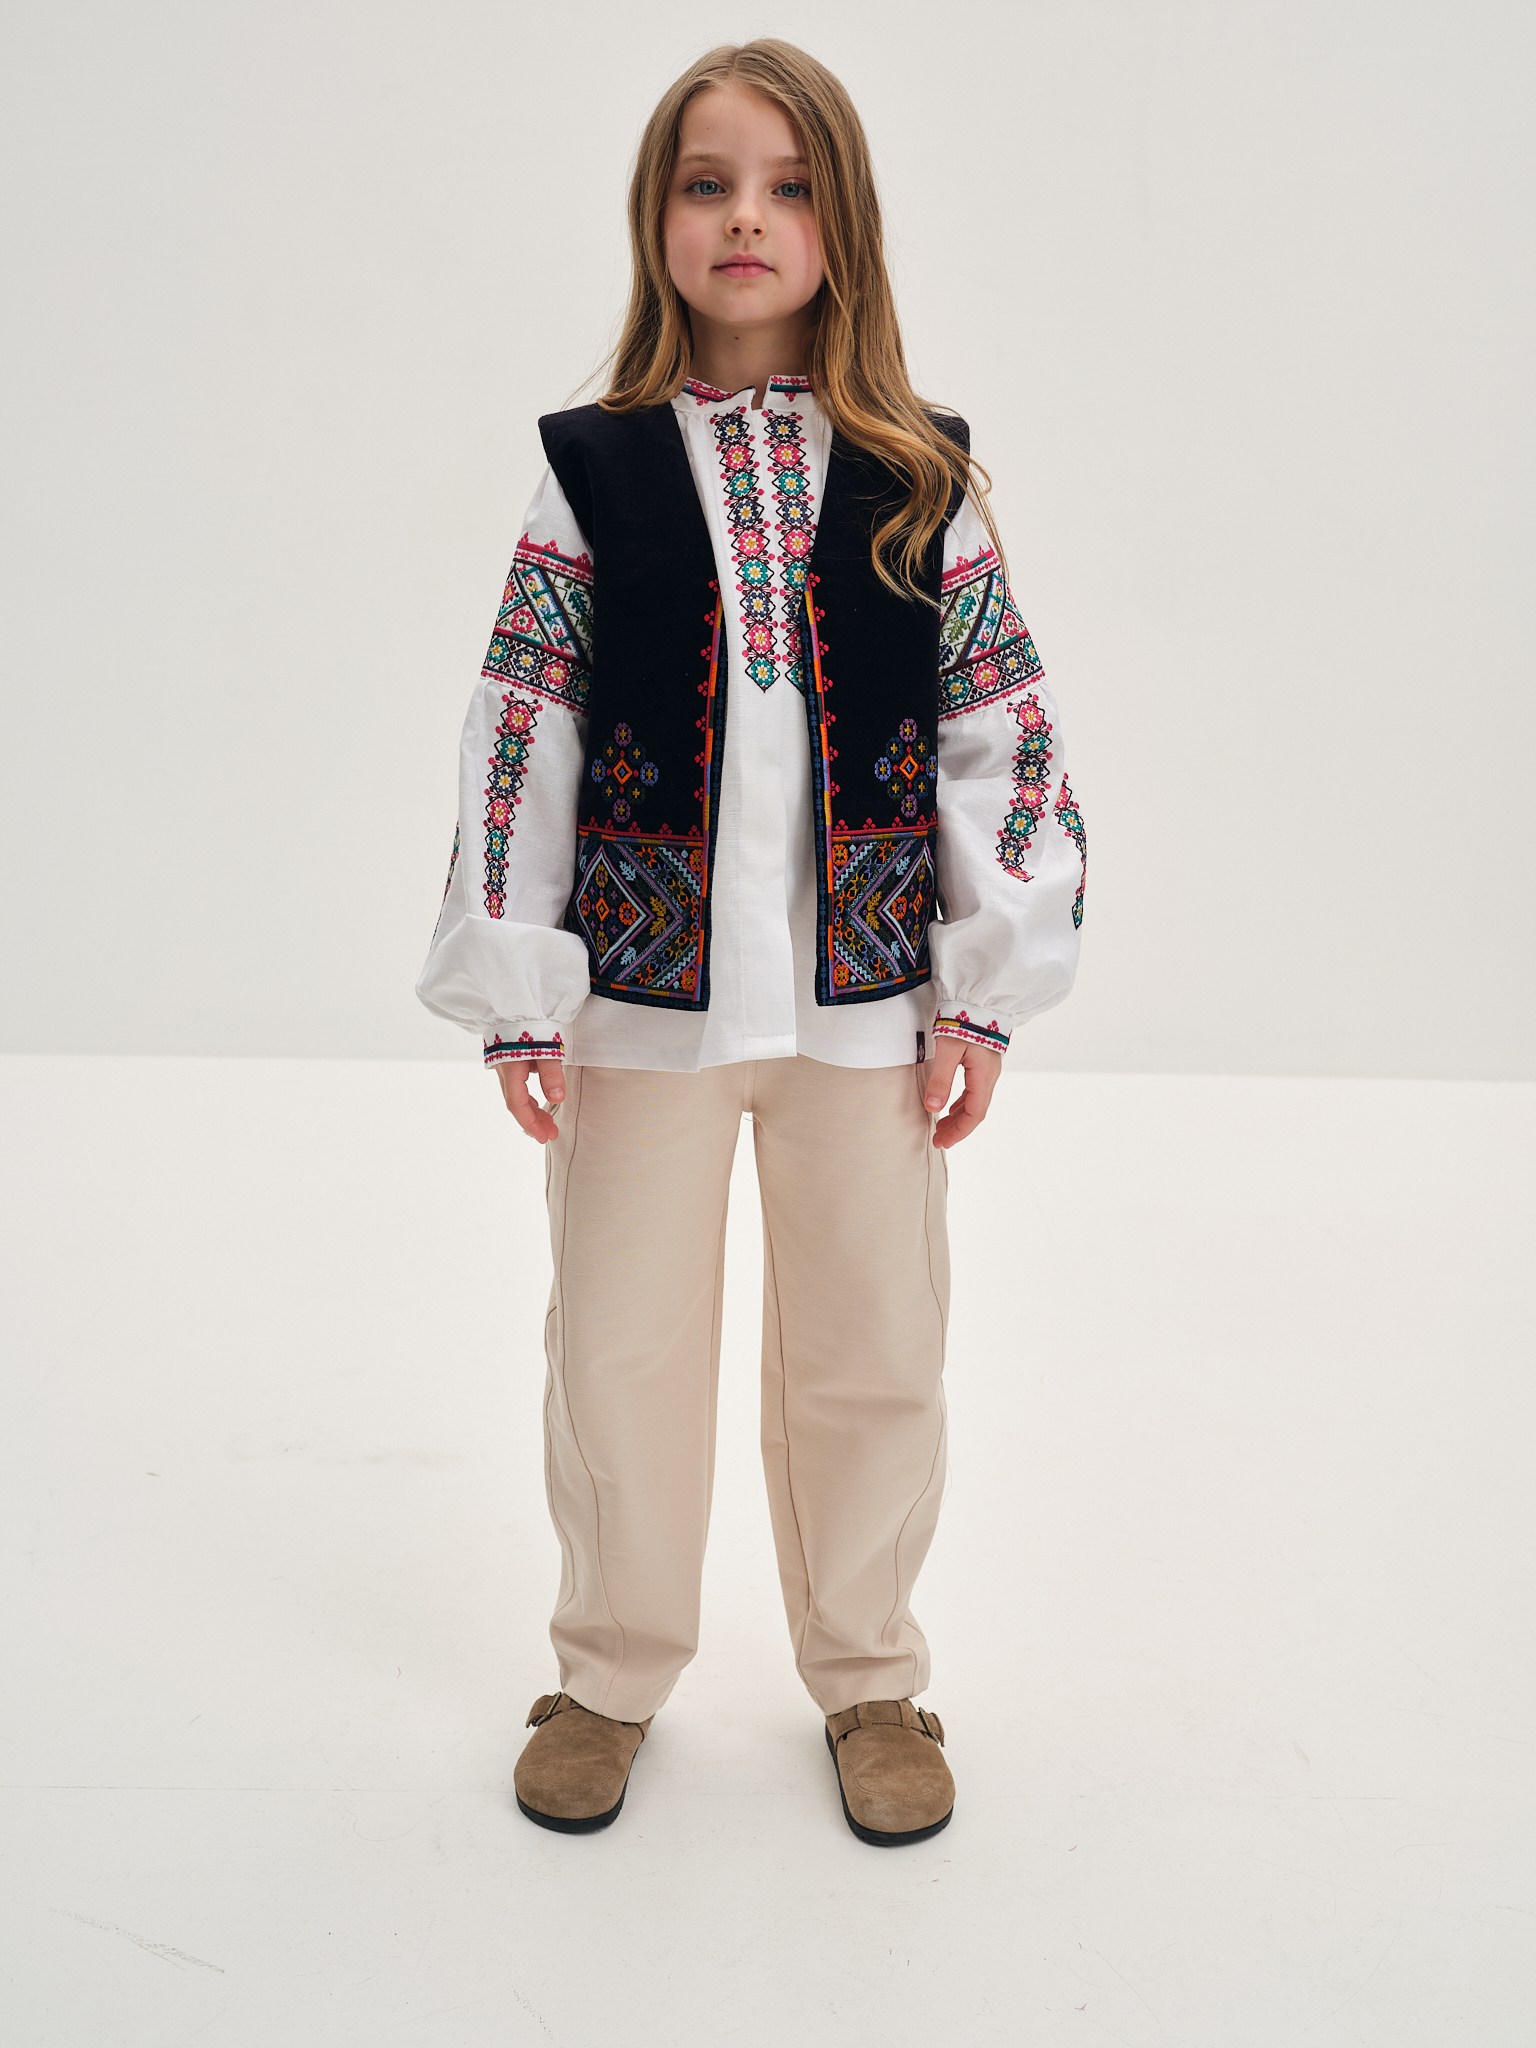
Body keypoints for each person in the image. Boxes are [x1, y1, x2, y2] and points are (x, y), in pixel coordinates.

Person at [416, 38, 1085, 1847]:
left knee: (875, 1348)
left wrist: (987, 987)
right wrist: (517, 985)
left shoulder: (918, 476)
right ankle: (608, 1671)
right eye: (707, 184)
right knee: (619, 1349)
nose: (746, 219)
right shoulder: (597, 475)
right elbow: (524, 725)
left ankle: (869, 1675)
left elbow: (998, 729)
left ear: (841, 224)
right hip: (638, 1009)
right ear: (658, 218)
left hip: (868, 1011)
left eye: (788, 187)